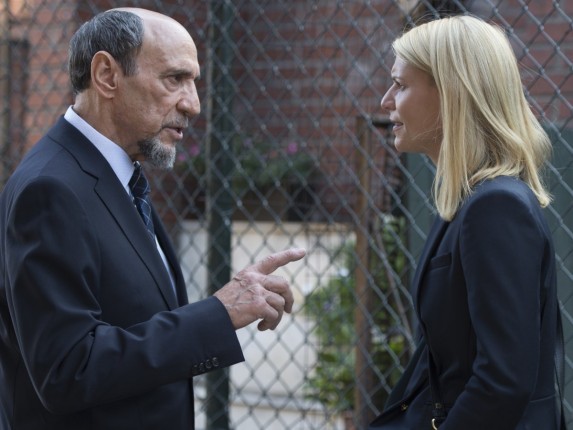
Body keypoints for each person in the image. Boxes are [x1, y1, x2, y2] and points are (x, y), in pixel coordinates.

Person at [0, 8, 305, 430]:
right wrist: (218, 314)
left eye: (193, 82)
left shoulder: (117, 176)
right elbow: (67, 368)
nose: (193, 104)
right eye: (174, 79)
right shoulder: (50, 190)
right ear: (107, 75)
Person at [370, 15, 561, 429]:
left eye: (400, 85)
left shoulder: (496, 207)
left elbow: (503, 383)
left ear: (452, 94)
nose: (386, 101)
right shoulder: (467, 200)